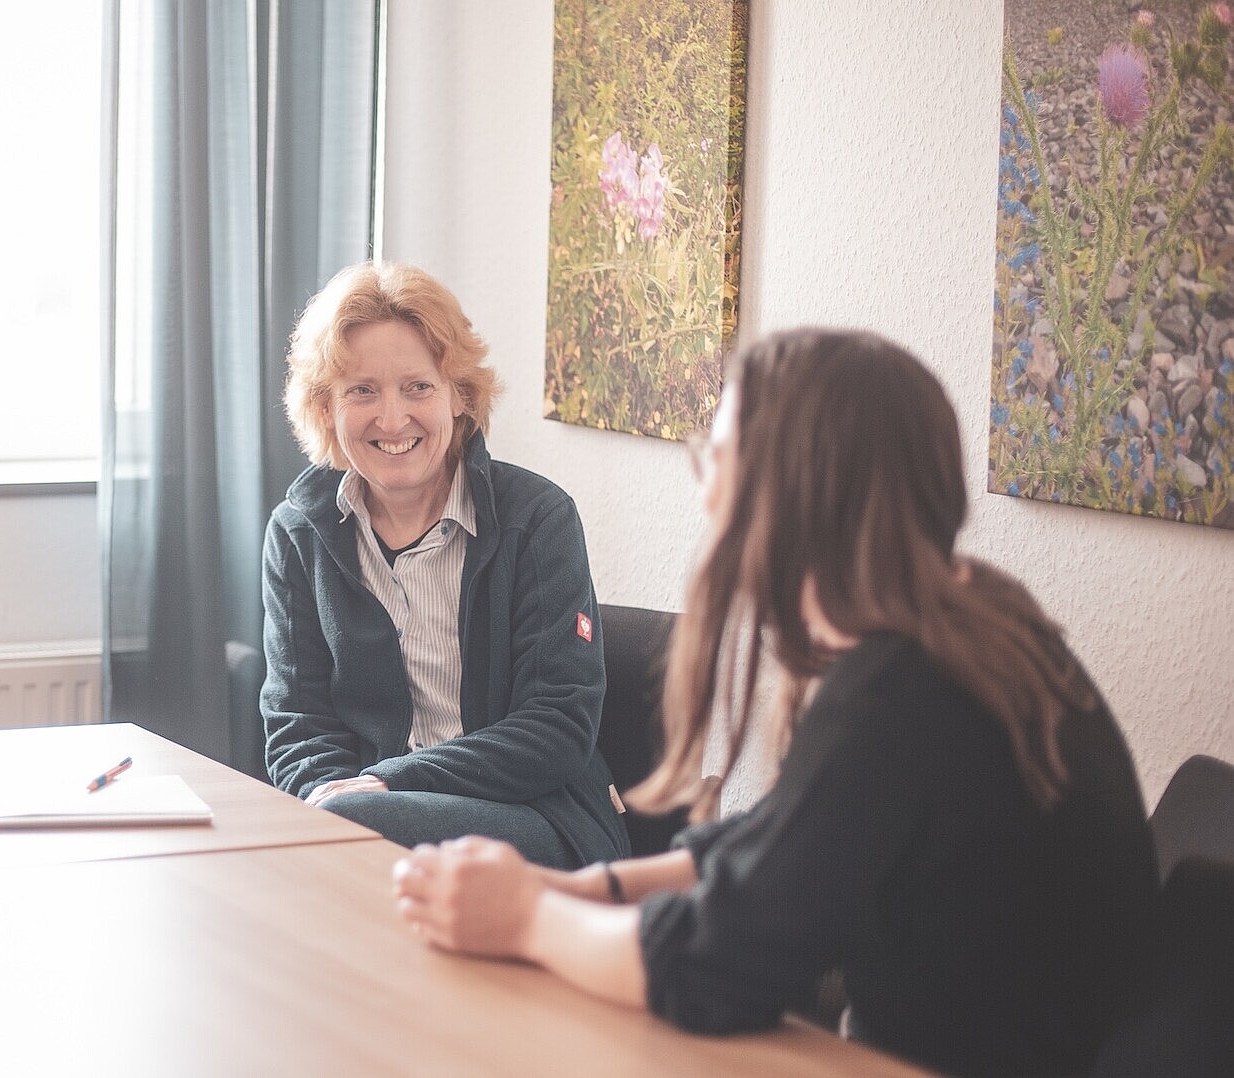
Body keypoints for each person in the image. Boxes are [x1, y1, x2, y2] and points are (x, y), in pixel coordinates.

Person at [392, 328, 1160, 1077]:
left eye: (716, 458)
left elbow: (708, 968)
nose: (703, 486)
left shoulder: (898, 695)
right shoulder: (975, 618)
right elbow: (778, 840)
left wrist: (526, 919)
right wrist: (574, 888)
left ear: (786, 487)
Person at [261, 261, 627, 870]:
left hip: (536, 820)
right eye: (362, 391)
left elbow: (559, 727)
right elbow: (297, 723)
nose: (392, 418)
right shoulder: (300, 531)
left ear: (459, 395)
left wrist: (384, 787)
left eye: (417, 387)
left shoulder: (537, 520)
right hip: (364, 821)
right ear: (326, 407)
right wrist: (325, 807)